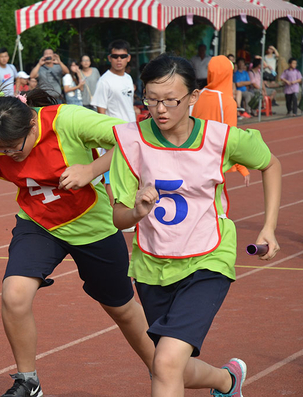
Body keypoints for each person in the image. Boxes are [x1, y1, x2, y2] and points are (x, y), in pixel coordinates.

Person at [0, 89, 155, 397]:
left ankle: (161, 368)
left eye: (15, 148)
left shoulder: (69, 121)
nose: (8, 154)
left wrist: (90, 170)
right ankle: (29, 381)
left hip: (93, 227)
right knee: (14, 295)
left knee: (120, 309)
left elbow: (135, 138)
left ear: (33, 125)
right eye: (2, 148)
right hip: (38, 224)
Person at [111, 53, 282, 397]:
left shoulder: (221, 138)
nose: (159, 109)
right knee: (170, 365)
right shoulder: (130, 142)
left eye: (170, 101)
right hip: (152, 266)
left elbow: (271, 164)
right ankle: (227, 381)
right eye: (151, 100)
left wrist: (269, 227)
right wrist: (137, 211)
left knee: (165, 364)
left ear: (192, 98)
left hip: (208, 259)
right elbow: (118, 217)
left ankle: (226, 382)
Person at [91, 39, 136, 215]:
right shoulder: (104, 81)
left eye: (123, 56)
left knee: (130, 174)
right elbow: (100, 111)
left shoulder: (128, 78)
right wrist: (103, 138)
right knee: (111, 176)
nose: (119, 59)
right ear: (109, 58)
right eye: (115, 56)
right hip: (113, 134)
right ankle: (114, 214)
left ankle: (128, 211)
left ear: (128, 58)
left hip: (130, 132)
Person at [191, 55, 250, 186]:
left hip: (193, 158)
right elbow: (232, 138)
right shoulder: (227, 102)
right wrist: (241, 166)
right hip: (215, 162)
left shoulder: (196, 95)